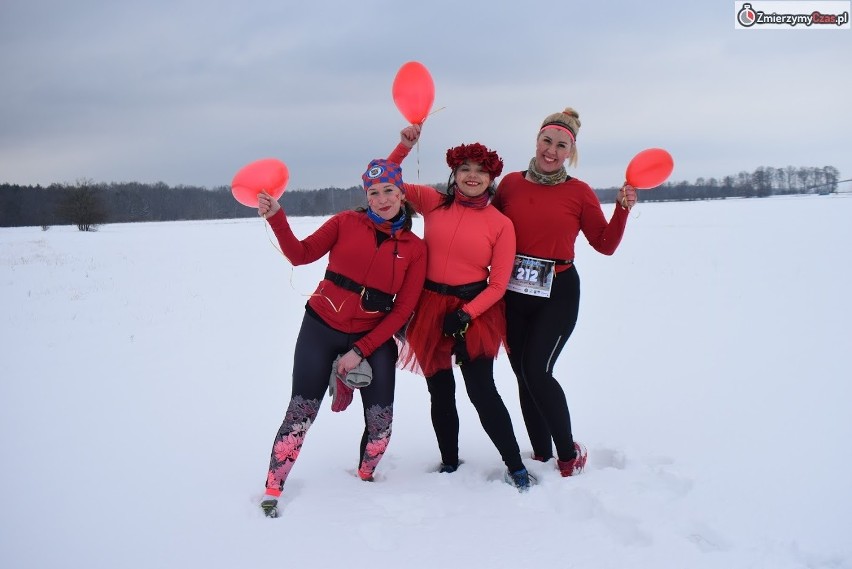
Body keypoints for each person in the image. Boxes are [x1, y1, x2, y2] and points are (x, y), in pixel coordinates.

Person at [257, 158, 427, 518]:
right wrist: (277, 216)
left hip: (373, 336)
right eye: (374, 193)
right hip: (320, 328)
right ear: (366, 196)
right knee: (300, 412)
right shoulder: (346, 223)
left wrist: (360, 351)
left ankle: (365, 476)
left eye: (389, 191)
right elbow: (299, 255)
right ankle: (274, 486)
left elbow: (401, 312)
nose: (382, 199)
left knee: (381, 423)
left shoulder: (415, 248)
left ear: (402, 194)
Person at [386, 126, 535, 491]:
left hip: (474, 311)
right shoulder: (434, 203)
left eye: (481, 171)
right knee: (439, 389)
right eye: (465, 168)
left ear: (491, 178)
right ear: (454, 173)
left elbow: (499, 284)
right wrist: (404, 147)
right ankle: (449, 462)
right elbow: (388, 180)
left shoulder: (501, 224)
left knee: (483, 392)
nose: (472, 175)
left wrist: (466, 314)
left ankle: (515, 465)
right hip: (429, 306)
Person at [491, 107, 637, 477]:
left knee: (537, 370)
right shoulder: (510, 185)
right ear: (536, 140)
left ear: (570, 152)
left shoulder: (579, 193)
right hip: (514, 292)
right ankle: (540, 452)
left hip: (558, 290)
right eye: (547, 141)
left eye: (561, 145)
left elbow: (604, 244)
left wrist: (621, 210)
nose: (551, 150)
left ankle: (568, 453)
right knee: (523, 374)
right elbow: (485, 229)